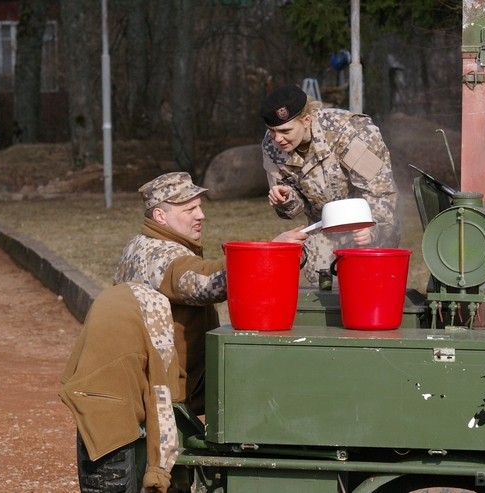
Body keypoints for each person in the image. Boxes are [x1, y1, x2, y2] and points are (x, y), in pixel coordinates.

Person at [113, 171, 306, 414]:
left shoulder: (140, 242)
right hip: (174, 382)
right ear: (160, 216)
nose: (200, 215)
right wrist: (271, 252)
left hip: (157, 371)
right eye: (189, 210)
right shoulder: (160, 255)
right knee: (270, 377)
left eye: (199, 207)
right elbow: (206, 283)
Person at [260, 84, 401, 285]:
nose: (277, 138)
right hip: (324, 227)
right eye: (272, 131)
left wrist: (373, 228)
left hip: (367, 222)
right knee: (324, 290)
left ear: (306, 120)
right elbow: (293, 209)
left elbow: (380, 189)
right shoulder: (271, 146)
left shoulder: (347, 131)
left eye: (285, 131)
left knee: (369, 287)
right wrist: (285, 199)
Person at [60, 281, 180, 493]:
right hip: (113, 398)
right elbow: (160, 399)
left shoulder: (115, 292)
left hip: (89, 389)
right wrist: (159, 470)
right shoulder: (157, 307)